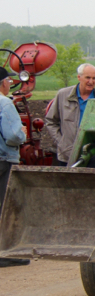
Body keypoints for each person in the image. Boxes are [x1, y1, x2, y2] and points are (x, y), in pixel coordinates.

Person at [44, 63, 95, 167]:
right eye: (87, 77)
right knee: (67, 183)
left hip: (93, 154)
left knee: (92, 183)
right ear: (79, 77)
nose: (91, 81)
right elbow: (51, 121)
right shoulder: (63, 95)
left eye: (94, 78)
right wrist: (61, 142)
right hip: (67, 153)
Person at [0, 66, 29, 267]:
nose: (10, 84)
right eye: (9, 81)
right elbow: (12, 136)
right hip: (3, 159)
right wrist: (23, 133)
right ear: (2, 83)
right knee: (5, 205)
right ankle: (5, 253)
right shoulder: (4, 104)